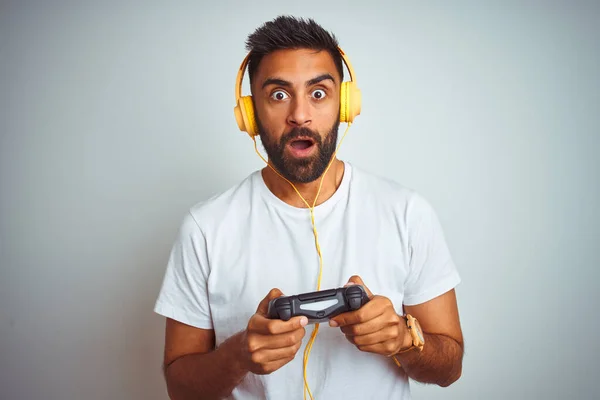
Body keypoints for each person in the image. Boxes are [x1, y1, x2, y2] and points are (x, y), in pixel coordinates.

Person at [154, 15, 464, 400]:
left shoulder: (407, 213)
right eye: (279, 94)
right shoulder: (205, 227)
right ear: (249, 115)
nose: (300, 115)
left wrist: (402, 338)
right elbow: (180, 388)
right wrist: (238, 355)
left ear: (345, 104)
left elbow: (450, 367)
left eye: (318, 93)